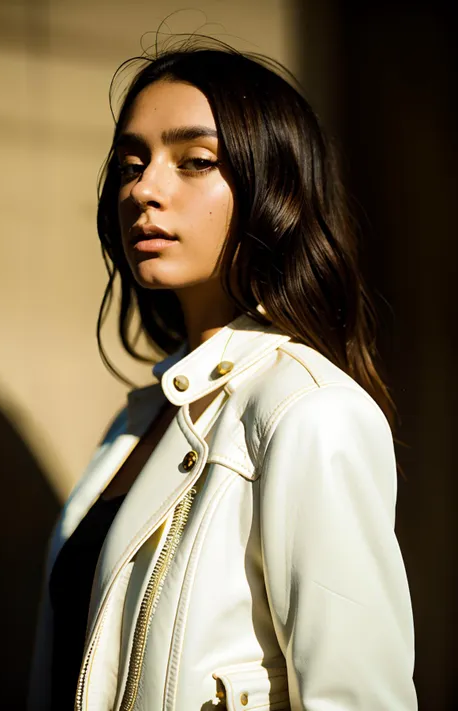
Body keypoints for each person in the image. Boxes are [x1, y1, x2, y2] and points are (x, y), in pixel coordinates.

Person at [28, 38, 417, 711]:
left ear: (273, 191)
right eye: (131, 163)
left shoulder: (308, 411)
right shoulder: (142, 416)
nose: (144, 188)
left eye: (195, 161)